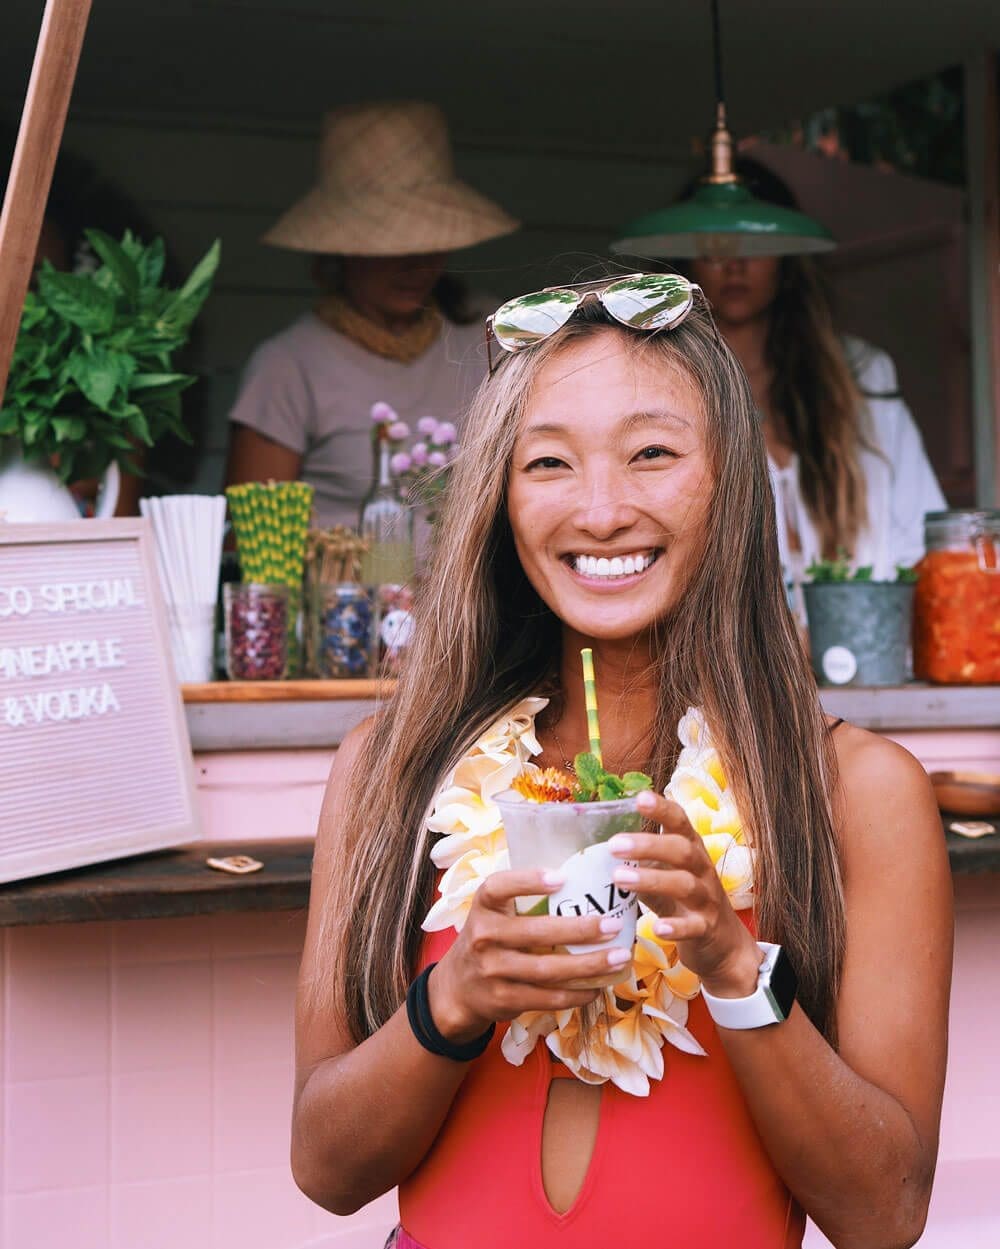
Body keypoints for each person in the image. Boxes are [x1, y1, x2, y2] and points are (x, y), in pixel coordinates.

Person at [292, 274, 952, 1248]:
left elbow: (884, 1214)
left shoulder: (857, 793)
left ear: (728, 479)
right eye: (548, 463)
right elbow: (326, 1168)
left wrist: (731, 964)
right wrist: (453, 997)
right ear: (499, 498)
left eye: (651, 453)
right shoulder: (388, 770)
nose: (599, 511)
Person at [225, 101, 518, 529]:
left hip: (471, 595)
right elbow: (255, 544)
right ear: (341, 251)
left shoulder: (490, 333)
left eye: (430, 242)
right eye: (393, 248)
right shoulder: (288, 365)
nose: (415, 264)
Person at [682, 159, 945, 586]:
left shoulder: (861, 374)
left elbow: (922, 538)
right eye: (714, 242)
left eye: (755, 242)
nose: (733, 263)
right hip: (732, 650)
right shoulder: (665, 387)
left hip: (866, 643)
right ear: (686, 254)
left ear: (787, 256)